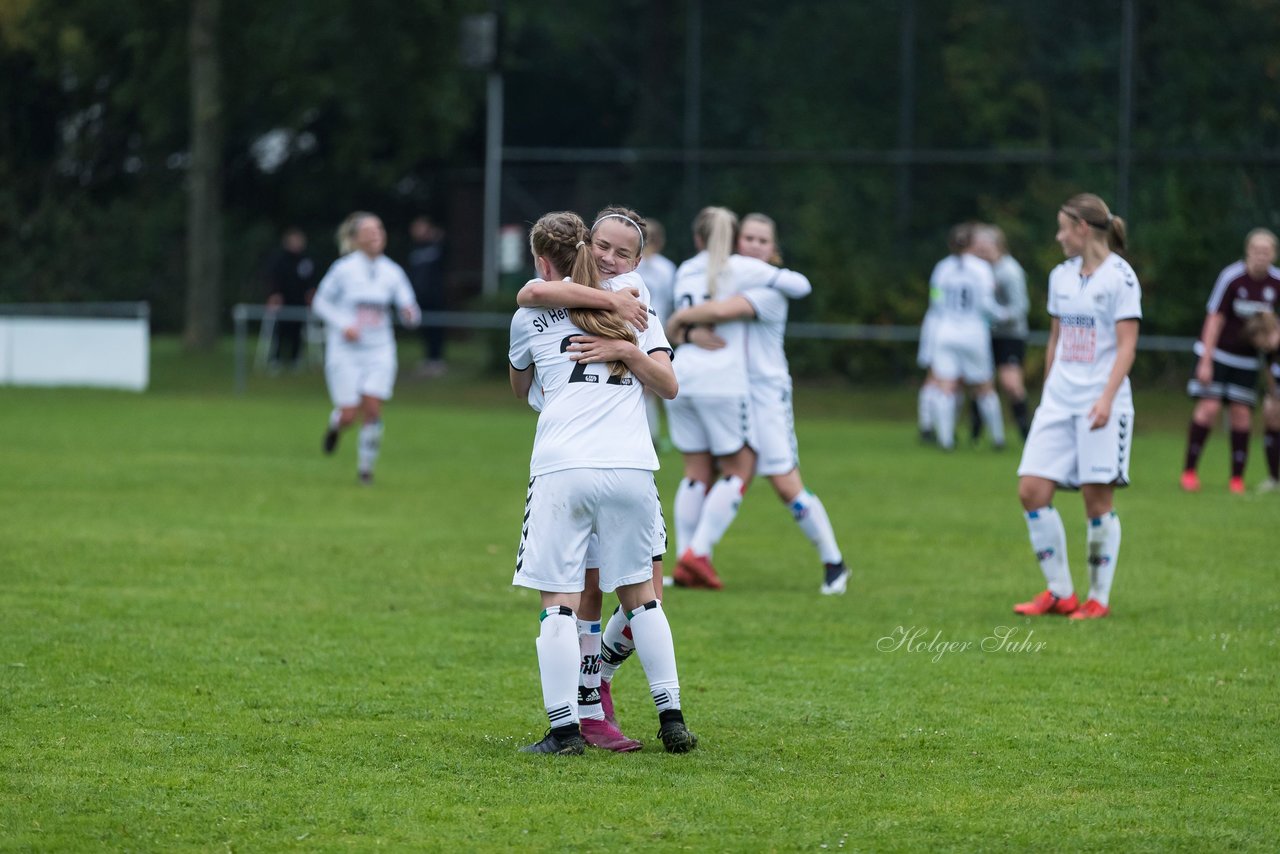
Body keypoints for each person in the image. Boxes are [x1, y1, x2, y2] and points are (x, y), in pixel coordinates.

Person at [508, 210, 695, 755]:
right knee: (644, 600)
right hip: (630, 465)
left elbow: (522, 381)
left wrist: (627, 350)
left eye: (622, 252)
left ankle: (566, 726)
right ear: (587, 245)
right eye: (602, 247)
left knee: (561, 603)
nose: (611, 260)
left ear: (638, 260)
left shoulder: (562, 304)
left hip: (564, 463)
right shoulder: (632, 303)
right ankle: (670, 716)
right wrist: (617, 318)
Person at [665, 212, 849, 594]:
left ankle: (834, 563)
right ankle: (692, 558)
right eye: (747, 238)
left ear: (774, 250)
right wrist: (690, 333)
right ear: (735, 242)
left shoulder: (767, 289)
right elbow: (706, 317)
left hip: (765, 395)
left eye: (763, 241)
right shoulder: (726, 275)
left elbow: (721, 311)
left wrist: (683, 319)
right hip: (727, 390)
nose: (753, 245)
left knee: (785, 484)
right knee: (705, 473)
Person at [1013, 193, 1141, 620]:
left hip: (1100, 403)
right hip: (1059, 401)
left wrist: (1105, 399)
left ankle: (1097, 600)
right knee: (1031, 490)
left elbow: (1127, 347)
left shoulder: (1121, 278)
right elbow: (1056, 338)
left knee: (1095, 499)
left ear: (1082, 229)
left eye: (1063, 227)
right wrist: (1049, 390)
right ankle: (1060, 592)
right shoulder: (1060, 277)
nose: (1058, 235)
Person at [311, 212, 420, 484]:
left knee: (372, 408)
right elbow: (320, 303)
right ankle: (336, 426)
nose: (376, 234)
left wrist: (408, 314)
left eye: (379, 229)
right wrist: (343, 324)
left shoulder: (392, 271)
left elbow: (411, 310)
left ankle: (365, 471)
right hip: (346, 350)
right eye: (369, 230)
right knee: (349, 414)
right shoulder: (342, 269)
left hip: (379, 349)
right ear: (355, 238)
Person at [1179, 228, 1280, 494]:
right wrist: (1206, 360)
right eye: (1256, 251)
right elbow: (1215, 318)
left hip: (1248, 362)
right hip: (1219, 354)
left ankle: (1236, 479)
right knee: (1209, 408)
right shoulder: (1232, 278)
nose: (1261, 256)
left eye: (1266, 252)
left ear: (1274, 255)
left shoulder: (1276, 282)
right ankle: (1189, 472)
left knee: (1241, 415)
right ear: (1247, 252)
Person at [926, 223, 1006, 452]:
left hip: (946, 330)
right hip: (973, 332)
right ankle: (998, 439)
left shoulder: (942, 268)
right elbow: (986, 304)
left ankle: (946, 440)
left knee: (946, 385)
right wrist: (1003, 314)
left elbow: (936, 300)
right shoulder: (981, 269)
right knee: (984, 387)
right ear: (972, 243)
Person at [970, 224, 1031, 440]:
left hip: (1009, 334)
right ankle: (976, 432)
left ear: (997, 246)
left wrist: (995, 316)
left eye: (983, 248)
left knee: (1011, 384)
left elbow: (1020, 308)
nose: (979, 253)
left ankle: (1026, 431)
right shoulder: (978, 270)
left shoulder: (1010, 271)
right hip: (984, 334)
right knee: (979, 381)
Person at [635, 218, 678, 446]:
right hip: (632, 329)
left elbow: (669, 303)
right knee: (640, 385)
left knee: (655, 384)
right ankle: (646, 435)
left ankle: (654, 435)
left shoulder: (666, 268)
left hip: (655, 330)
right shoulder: (632, 266)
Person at [264, 227, 316, 371]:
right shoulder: (279, 259)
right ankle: (276, 358)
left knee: (297, 331)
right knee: (279, 331)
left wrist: (311, 295)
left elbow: (310, 281)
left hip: (299, 302)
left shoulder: (306, 260)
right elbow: (272, 278)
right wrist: (274, 294)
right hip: (282, 302)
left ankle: (295, 359)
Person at [407, 216, 449, 378]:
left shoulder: (438, 246)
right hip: (419, 296)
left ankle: (437, 360)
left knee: (436, 329)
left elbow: (447, 256)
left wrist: (438, 238)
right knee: (424, 328)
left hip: (435, 295)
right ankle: (428, 358)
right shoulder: (414, 249)